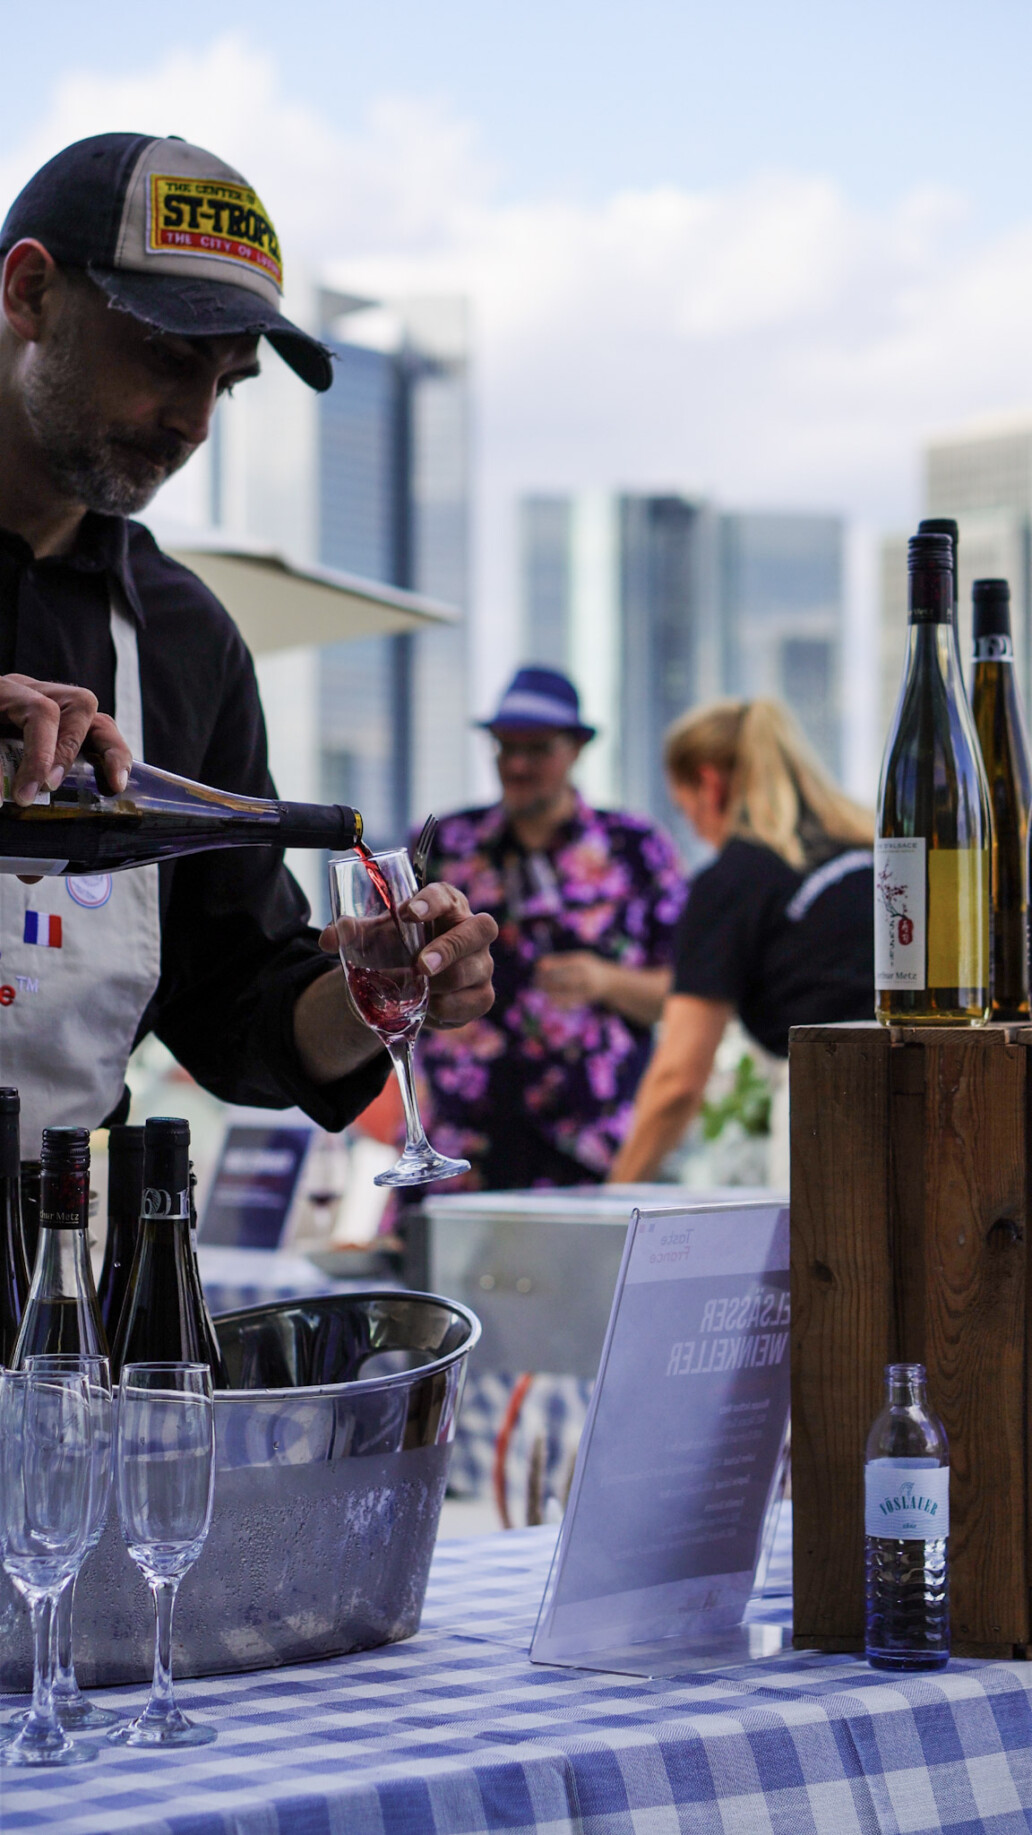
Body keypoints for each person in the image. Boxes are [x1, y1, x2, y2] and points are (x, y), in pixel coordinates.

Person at [0, 132, 496, 1151]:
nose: (192, 423)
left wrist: (372, 990)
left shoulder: (184, 639)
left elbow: (233, 1006)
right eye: (168, 359)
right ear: (30, 291)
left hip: (56, 1257)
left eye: (225, 384)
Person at [414, 667, 686, 1188]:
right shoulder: (445, 843)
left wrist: (607, 981)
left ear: (577, 748)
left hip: (589, 1157)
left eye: (536, 749)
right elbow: (397, 977)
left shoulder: (636, 847)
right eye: (503, 746)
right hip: (459, 1154)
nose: (516, 764)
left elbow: (689, 996)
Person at [609, 697, 874, 1185]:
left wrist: (610, 1205)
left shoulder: (734, 881)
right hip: (949, 1098)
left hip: (835, 1126)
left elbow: (677, 1082)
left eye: (684, 810)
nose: (694, 828)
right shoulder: (877, 852)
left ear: (710, 785)